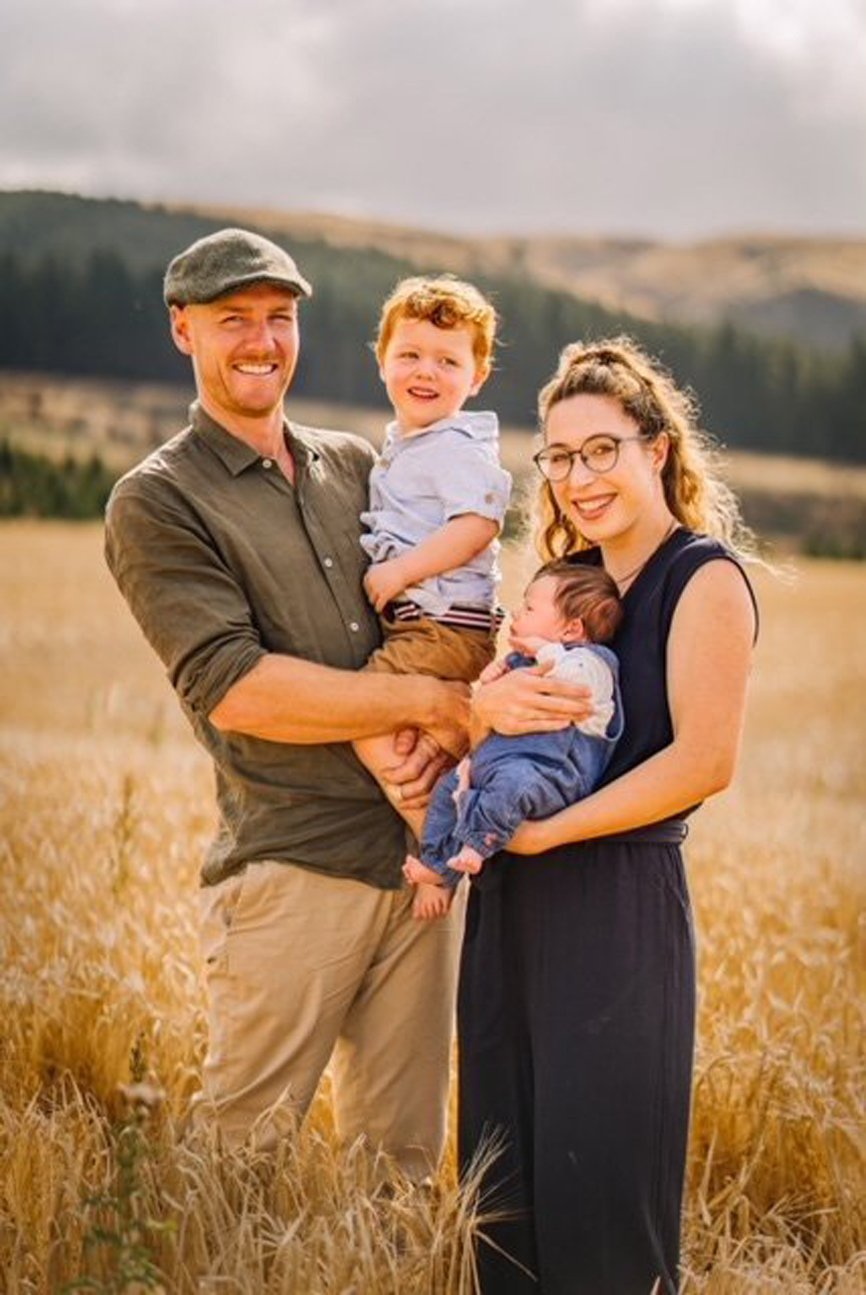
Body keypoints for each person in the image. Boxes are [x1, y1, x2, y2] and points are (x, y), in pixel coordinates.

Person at [104, 228, 583, 1178]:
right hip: (295, 867)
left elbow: (450, 579)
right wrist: (437, 704)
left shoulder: (357, 463)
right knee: (236, 1168)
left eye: (278, 319)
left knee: (399, 1170)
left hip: (419, 871)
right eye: (232, 319)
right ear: (181, 330)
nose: (260, 341)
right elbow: (237, 689)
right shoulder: (158, 500)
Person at [458, 336, 759, 1293]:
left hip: (618, 910)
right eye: (559, 457)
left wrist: (545, 832)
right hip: (509, 906)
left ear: (656, 449)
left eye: (602, 450)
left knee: (603, 1221)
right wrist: (483, 711)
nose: (579, 478)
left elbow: (703, 761)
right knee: (503, 1202)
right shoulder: (564, 582)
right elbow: (489, 718)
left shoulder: (701, 577)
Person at [353, 275, 512, 918]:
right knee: (408, 736)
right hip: (432, 628)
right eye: (411, 355)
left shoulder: (454, 446)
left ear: (478, 376)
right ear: (381, 359)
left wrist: (399, 574)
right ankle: (453, 825)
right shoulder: (410, 445)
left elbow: (479, 524)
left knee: (361, 717)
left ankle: (438, 849)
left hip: (443, 626)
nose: (427, 372)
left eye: (449, 361)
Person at [403, 562, 623, 909]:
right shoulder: (522, 659)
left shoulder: (591, 663)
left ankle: (476, 846)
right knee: (446, 790)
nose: (517, 613)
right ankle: (436, 863)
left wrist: (540, 649)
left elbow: (570, 683)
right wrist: (495, 676)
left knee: (512, 786)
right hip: (499, 762)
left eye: (529, 608)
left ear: (572, 629)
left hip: (549, 773)